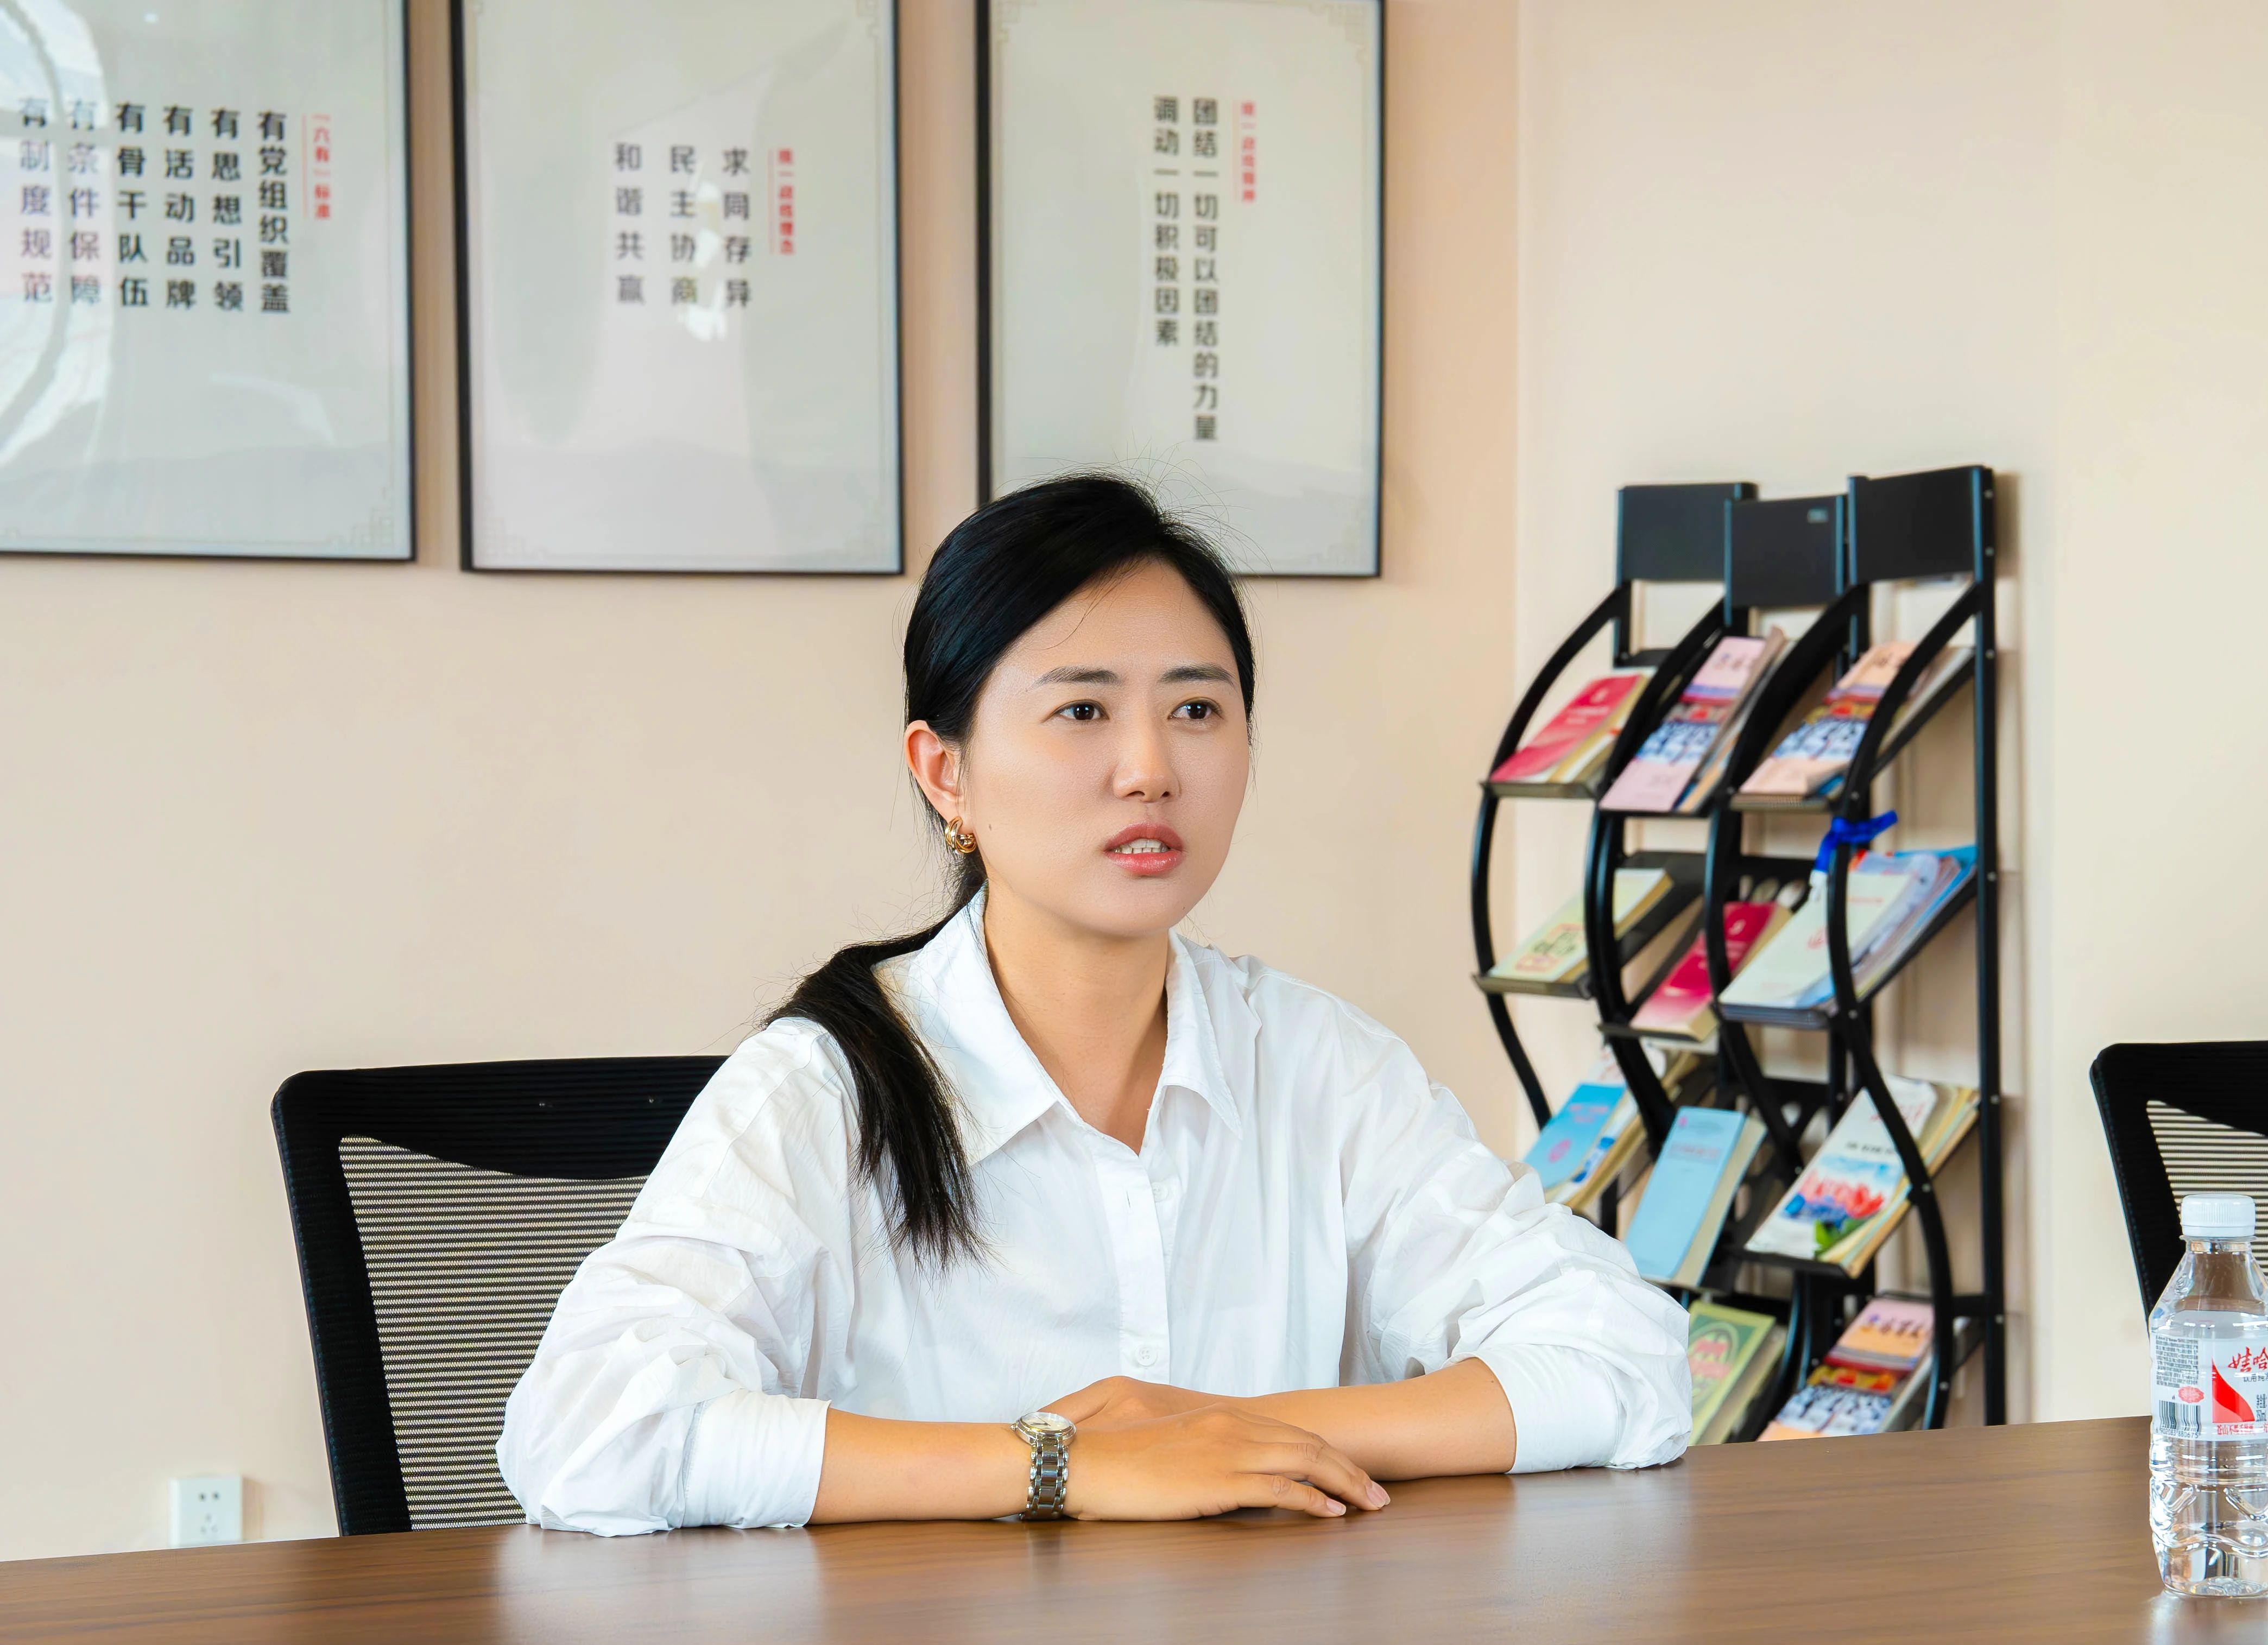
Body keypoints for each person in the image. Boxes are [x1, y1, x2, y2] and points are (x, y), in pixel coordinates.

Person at [500, 475, 1691, 1533]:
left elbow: (1626, 1358)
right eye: (1083, 710)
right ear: (945, 771)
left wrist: (1225, 1434)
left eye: (1196, 709)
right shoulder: (824, 1089)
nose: (1150, 768)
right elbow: (590, 1430)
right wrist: (1063, 1465)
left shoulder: (1317, 1064)